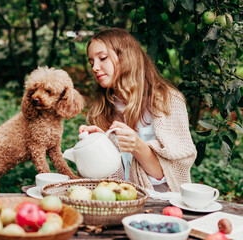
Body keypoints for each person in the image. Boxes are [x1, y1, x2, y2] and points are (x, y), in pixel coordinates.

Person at [79, 28, 197, 192]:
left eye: (102, 58)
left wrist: (137, 147)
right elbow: (105, 180)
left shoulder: (168, 101)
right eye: (91, 62)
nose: (95, 68)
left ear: (126, 56)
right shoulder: (101, 111)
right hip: (119, 204)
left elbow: (172, 174)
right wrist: (99, 144)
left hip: (163, 205)